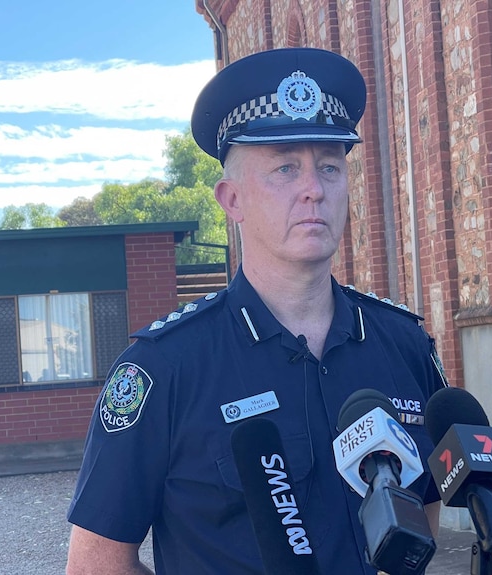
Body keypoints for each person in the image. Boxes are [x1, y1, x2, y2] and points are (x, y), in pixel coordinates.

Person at [65, 47, 448, 575]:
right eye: (286, 167)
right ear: (232, 199)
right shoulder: (163, 369)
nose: (313, 189)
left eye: (330, 167)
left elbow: (426, 501)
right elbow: (96, 565)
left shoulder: (402, 344)